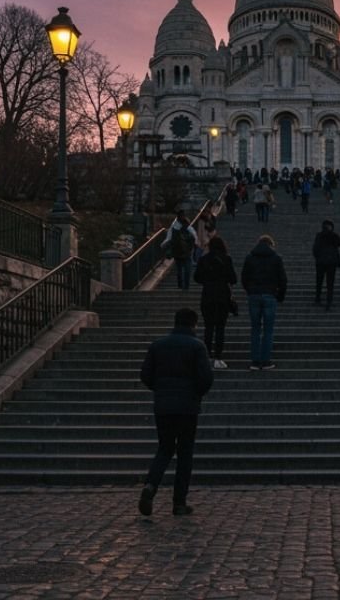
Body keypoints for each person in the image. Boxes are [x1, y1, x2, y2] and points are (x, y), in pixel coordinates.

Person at [138, 307, 214, 517]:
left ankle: (150, 485)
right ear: (194, 324)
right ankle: (179, 503)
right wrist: (196, 393)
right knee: (185, 453)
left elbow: (145, 375)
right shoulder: (197, 346)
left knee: (165, 448)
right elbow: (206, 378)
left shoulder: (158, 345)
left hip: (163, 406)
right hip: (188, 407)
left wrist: (160, 390)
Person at [241, 234, 287, 370]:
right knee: (268, 330)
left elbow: (244, 277)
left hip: (254, 295)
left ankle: (255, 361)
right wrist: (280, 295)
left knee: (255, 329)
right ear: (271, 245)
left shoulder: (250, 257)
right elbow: (283, 279)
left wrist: (250, 290)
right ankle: (266, 361)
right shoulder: (276, 258)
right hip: (270, 295)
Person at [193, 236, 237, 369]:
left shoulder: (204, 259)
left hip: (207, 296)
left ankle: (207, 356)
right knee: (220, 328)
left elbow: (197, 277)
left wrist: (208, 281)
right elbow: (233, 278)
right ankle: (218, 357)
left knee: (208, 327)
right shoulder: (227, 259)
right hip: (222, 297)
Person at [311, 219, 340, 310]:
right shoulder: (334, 235)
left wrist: (317, 257)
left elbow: (315, 248)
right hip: (331, 262)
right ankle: (329, 300)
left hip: (321, 262)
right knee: (330, 283)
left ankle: (318, 298)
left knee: (319, 281)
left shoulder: (319, 235)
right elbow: (339, 243)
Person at [163, 210, 197, 291]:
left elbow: (169, 238)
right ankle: (186, 286)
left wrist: (164, 245)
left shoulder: (174, 227)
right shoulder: (187, 225)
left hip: (177, 251)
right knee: (186, 269)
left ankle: (181, 284)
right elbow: (193, 236)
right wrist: (194, 244)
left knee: (179, 269)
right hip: (187, 251)